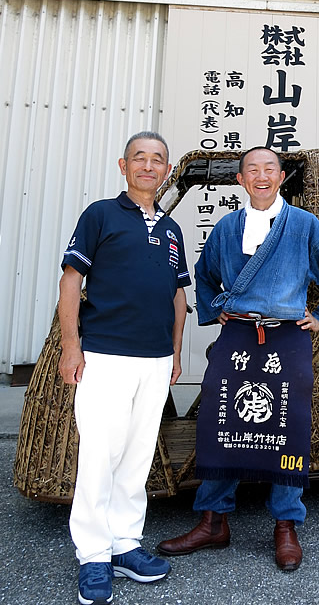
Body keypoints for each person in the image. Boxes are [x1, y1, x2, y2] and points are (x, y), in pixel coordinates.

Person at [157, 146, 319, 572]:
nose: (261, 177)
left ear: (281, 177)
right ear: (242, 180)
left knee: (288, 426)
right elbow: (204, 275)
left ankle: (285, 525)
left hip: (287, 338)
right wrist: (215, 307)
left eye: (269, 169)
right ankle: (213, 520)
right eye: (252, 171)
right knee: (219, 420)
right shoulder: (228, 227)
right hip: (239, 333)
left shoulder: (304, 225)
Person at [58, 131, 191, 605]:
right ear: (124, 165)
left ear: (165, 170)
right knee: (100, 453)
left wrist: (176, 352)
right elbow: (71, 282)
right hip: (105, 355)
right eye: (140, 158)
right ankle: (93, 553)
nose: (149, 166)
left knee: (136, 458)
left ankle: (124, 544)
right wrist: (72, 347)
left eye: (158, 160)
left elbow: (178, 295)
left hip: (154, 360)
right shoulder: (100, 215)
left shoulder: (172, 229)